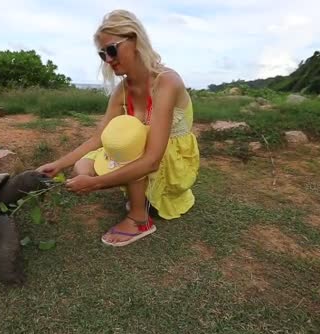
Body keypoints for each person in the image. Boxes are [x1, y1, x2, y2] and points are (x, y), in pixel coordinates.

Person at [37, 9, 200, 246]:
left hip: (169, 160)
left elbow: (153, 158)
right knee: (82, 167)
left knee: (130, 142)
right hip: (148, 156)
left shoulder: (167, 82)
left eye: (112, 49)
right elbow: (98, 139)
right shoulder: (122, 90)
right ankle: (140, 194)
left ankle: (139, 218)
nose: (109, 59)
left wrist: (96, 184)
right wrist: (58, 164)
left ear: (134, 40)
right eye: (103, 54)